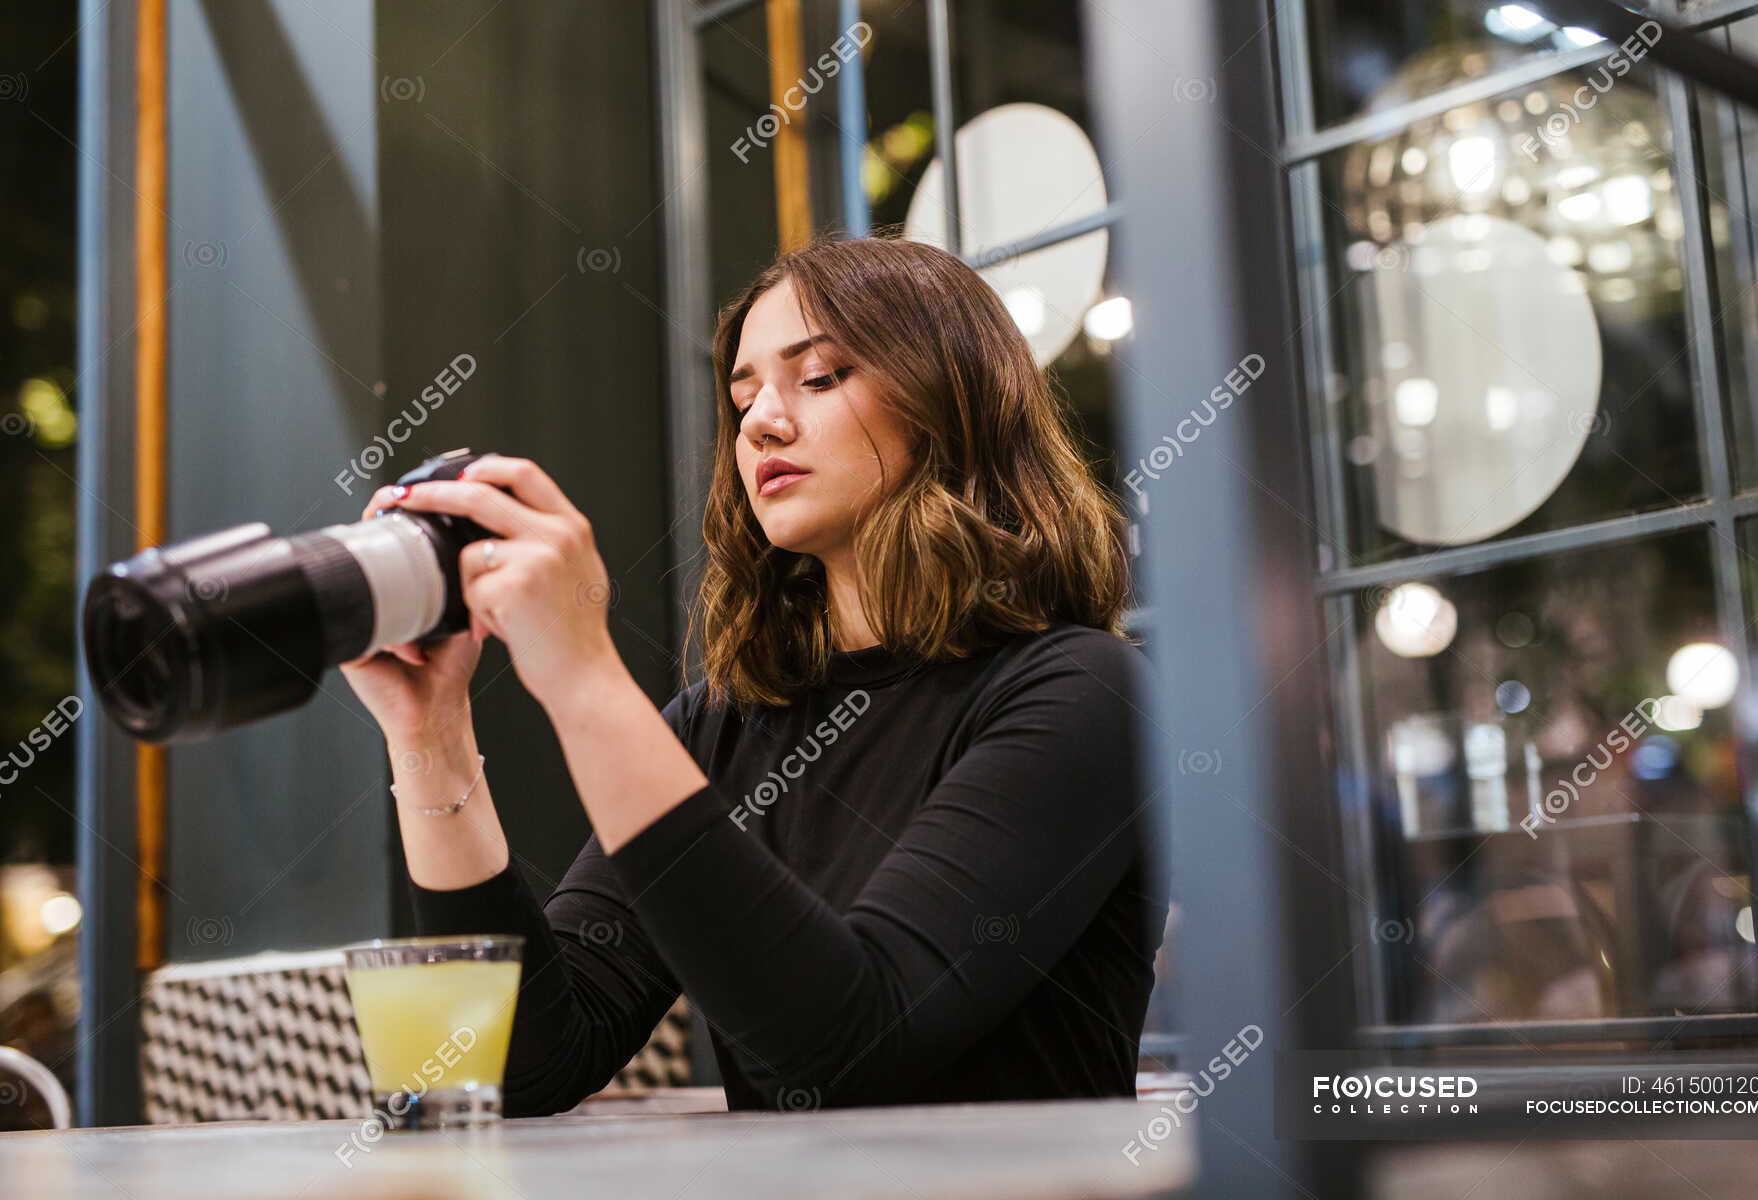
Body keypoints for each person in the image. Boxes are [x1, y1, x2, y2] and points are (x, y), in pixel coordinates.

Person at [341, 235, 1168, 1114]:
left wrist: (583, 677)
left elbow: (847, 1049)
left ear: (951, 403)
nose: (761, 423)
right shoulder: (719, 726)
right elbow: (523, 1065)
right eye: (744, 399)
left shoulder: (1083, 693)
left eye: (818, 378)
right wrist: (429, 731)